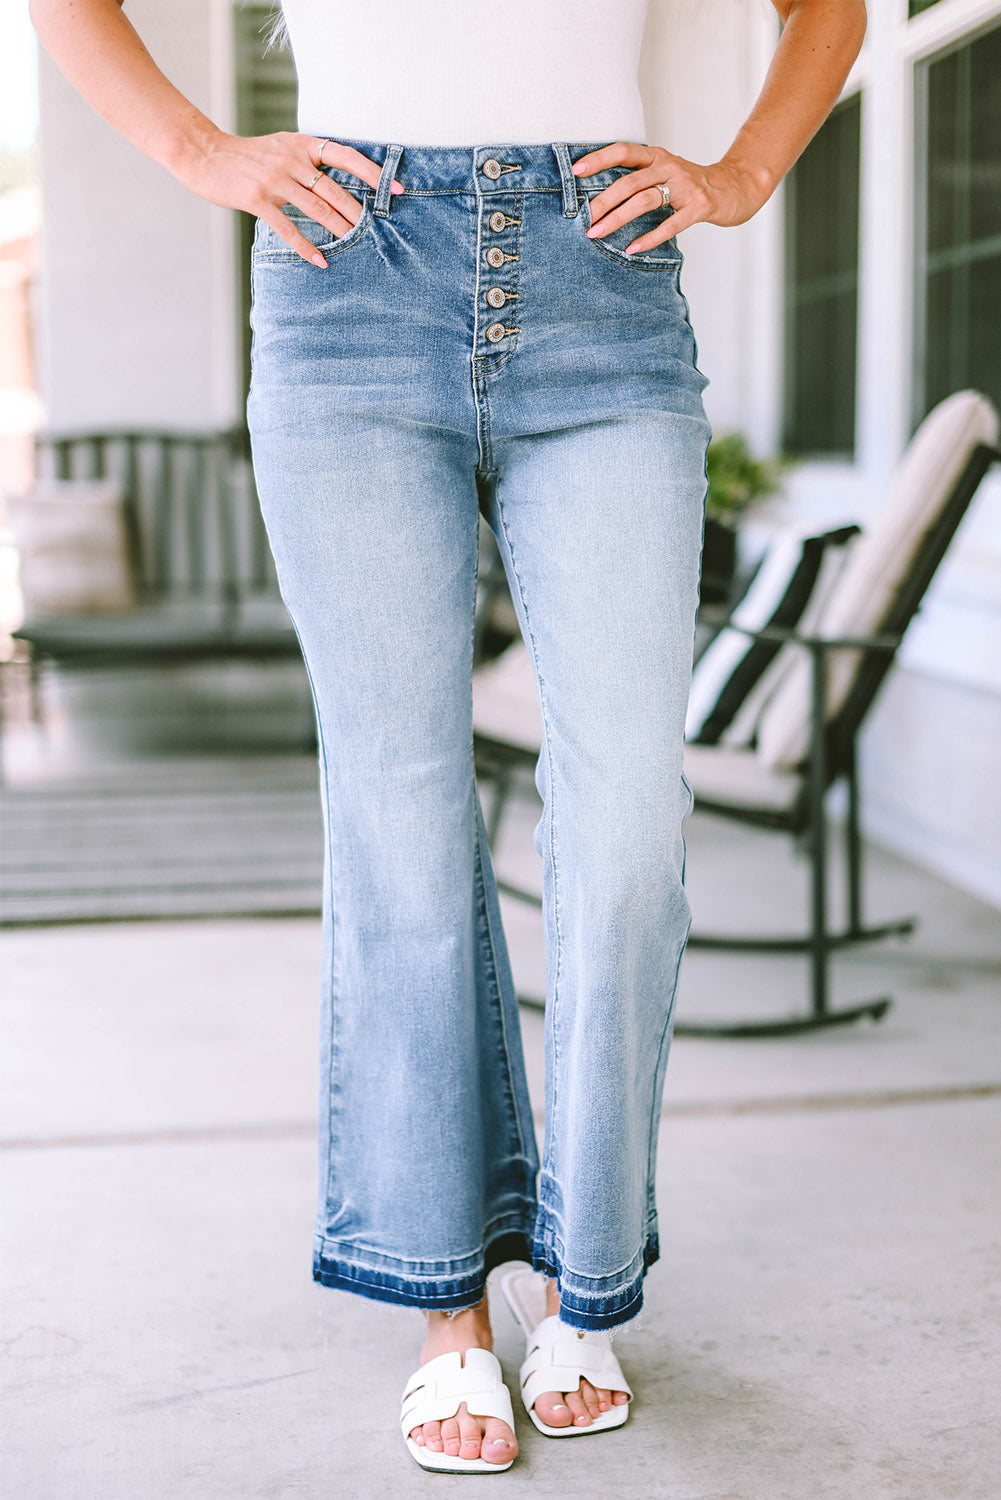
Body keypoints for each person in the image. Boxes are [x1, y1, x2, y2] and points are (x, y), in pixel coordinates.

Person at [31, 0, 867, 1474]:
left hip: (601, 290)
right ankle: (442, 1313)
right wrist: (200, 152)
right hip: (347, 280)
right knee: (402, 819)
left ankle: (585, 1286)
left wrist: (739, 175)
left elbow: (829, 8)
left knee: (623, 823)